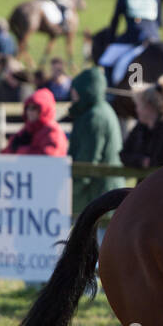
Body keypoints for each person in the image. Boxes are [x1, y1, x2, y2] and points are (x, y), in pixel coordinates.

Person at [67, 67, 123, 217]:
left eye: (76, 90)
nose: (73, 94)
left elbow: (88, 162)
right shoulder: (99, 110)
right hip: (104, 193)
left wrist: (68, 192)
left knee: (100, 239)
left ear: (86, 91)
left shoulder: (94, 118)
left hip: (100, 198)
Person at [2, 88, 68, 157]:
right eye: (28, 108)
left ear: (45, 109)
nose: (29, 112)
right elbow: (8, 151)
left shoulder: (52, 131)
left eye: (34, 108)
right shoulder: (28, 129)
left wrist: (19, 150)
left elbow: (48, 157)